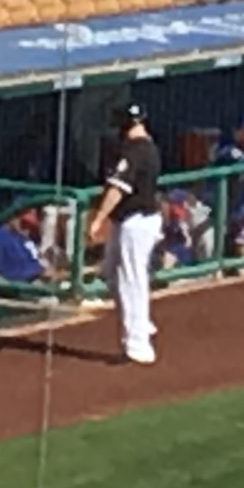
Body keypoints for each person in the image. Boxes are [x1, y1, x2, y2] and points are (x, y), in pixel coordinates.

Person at [86, 104, 163, 364]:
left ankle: (138, 344)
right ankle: (142, 322)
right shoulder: (149, 146)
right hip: (135, 221)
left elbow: (117, 189)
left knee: (132, 279)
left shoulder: (136, 151)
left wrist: (97, 220)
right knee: (111, 273)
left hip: (137, 222)